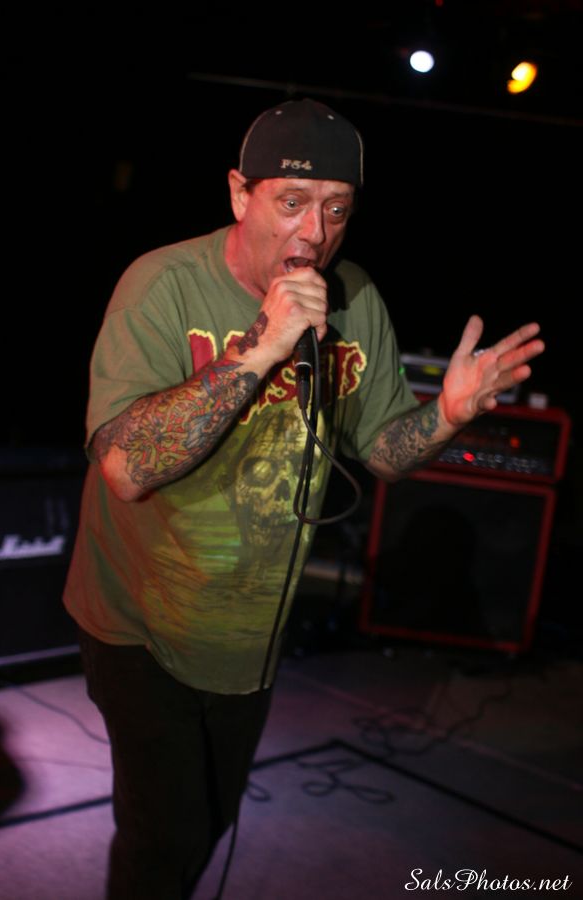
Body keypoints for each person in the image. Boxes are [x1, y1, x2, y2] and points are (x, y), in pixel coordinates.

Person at [63, 98, 543, 899]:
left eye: (336, 209)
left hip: (250, 634)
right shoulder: (162, 285)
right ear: (238, 194)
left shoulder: (355, 299)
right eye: (291, 202)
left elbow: (383, 451)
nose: (315, 233)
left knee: (209, 823)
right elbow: (125, 468)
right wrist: (263, 347)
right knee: (162, 835)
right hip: (137, 620)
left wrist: (447, 417)